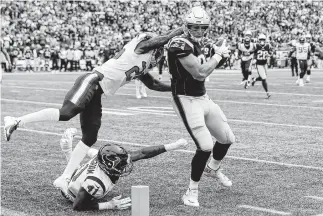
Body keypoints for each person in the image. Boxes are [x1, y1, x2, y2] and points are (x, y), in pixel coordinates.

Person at [4, 27, 184, 195]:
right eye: (158, 53)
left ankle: (64, 177)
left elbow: (154, 84)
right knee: (66, 113)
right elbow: (164, 38)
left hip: (98, 91)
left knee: (90, 137)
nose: (158, 58)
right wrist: (183, 29)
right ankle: (16, 120)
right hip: (92, 81)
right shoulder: (139, 47)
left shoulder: (142, 65)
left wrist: (177, 87)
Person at [167, 7, 235, 207]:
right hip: (185, 99)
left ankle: (213, 168)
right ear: (186, 27)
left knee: (227, 138)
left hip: (202, 97)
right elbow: (199, 73)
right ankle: (191, 190)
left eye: (202, 27)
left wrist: (219, 56)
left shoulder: (201, 43)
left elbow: (210, 67)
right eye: (194, 27)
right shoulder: (178, 44)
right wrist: (218, 56)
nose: (198, 31)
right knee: (205, 146)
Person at [58, 128, 188, 211]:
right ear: (108, 166)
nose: (125, 166)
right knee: (86, 191)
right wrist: (109, 205)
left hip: (87, 174)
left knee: (88, 156)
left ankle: (69, 151)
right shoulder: (95, 183)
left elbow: (142, 153)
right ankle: (68, 155)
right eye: (121, 165)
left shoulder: (106, 160)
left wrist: (173, 146)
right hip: (74, 193)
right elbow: (78, 206)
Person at [251, 34, 272, 99]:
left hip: (264, 64)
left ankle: (255, 79)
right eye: (261, 40)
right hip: (259, 64)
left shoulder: (268, 46)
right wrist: (254, 59)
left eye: (263, 40)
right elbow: (253, 53)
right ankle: (267, 93)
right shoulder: (256, 46)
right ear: (259, 40)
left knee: (263, 77)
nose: (262, 41)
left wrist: (269, 55)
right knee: (263, 78)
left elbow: (270, 53)